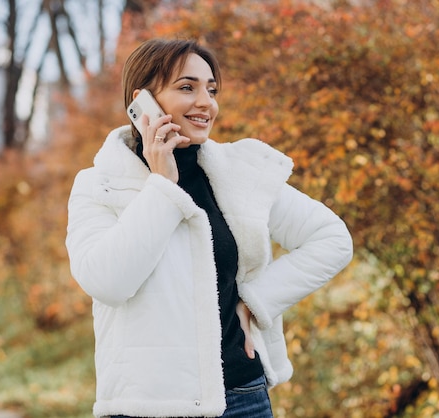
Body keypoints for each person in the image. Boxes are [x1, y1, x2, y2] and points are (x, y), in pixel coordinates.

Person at [65, 38, 353, 418]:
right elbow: (109, 282)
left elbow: (331, 239)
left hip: (242, 398)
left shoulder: (238, 172)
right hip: (146, 406)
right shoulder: (99, 183)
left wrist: (256, 301)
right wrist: (163, 187)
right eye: (187, 87)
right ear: (143, 100)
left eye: (211, 89)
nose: (206, 103)